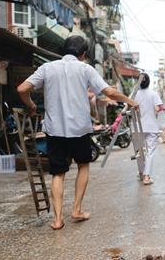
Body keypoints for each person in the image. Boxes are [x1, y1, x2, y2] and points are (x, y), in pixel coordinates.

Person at [17, 36, 139, 230]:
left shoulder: (47, 68)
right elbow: (109, 92)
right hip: (79, 129)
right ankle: (76, 210)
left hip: (54, 129)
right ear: (83, 55)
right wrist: (131, 101)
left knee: (58, 173)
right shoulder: (85, 69)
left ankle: (57, 220)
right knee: (83, 165)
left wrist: (31, 105)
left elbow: (22, 88)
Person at [134, 73, 164, 185]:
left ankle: (141, 172)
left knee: (139, 152)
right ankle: (146, 177)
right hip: (151, 126)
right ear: (149, 82)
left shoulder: (134, 94)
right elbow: (157, 109)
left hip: (137, 127)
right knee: (150, 152)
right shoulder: (153, 94)